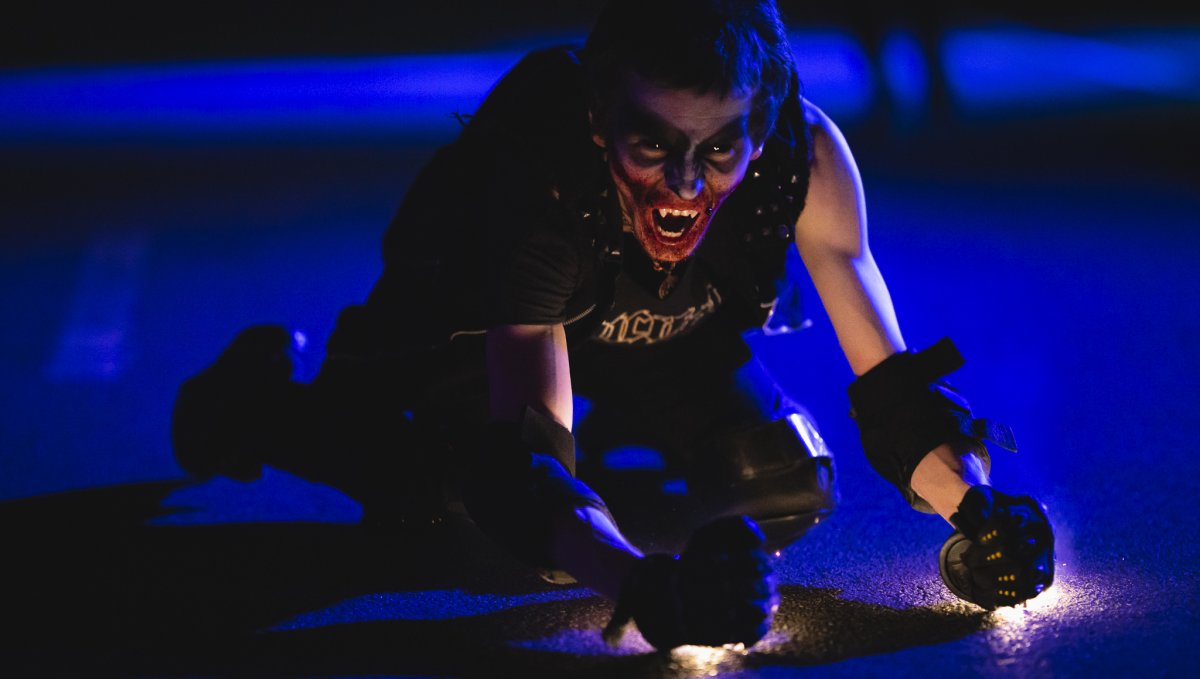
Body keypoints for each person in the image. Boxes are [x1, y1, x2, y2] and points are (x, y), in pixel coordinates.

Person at [172, 0, 1055, 651]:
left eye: (717, 150)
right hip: (465, 330)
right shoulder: (540, 177)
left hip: (666, 333)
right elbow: (528, 459)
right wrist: (650, 588)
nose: (681, 185)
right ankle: (250, 405)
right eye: (653, 145)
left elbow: (889, 383)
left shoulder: (804, 154)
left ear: (760, 125)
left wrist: (979, 514)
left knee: (782, 476)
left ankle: (623, 478)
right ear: (600, 121)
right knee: (450, 502)